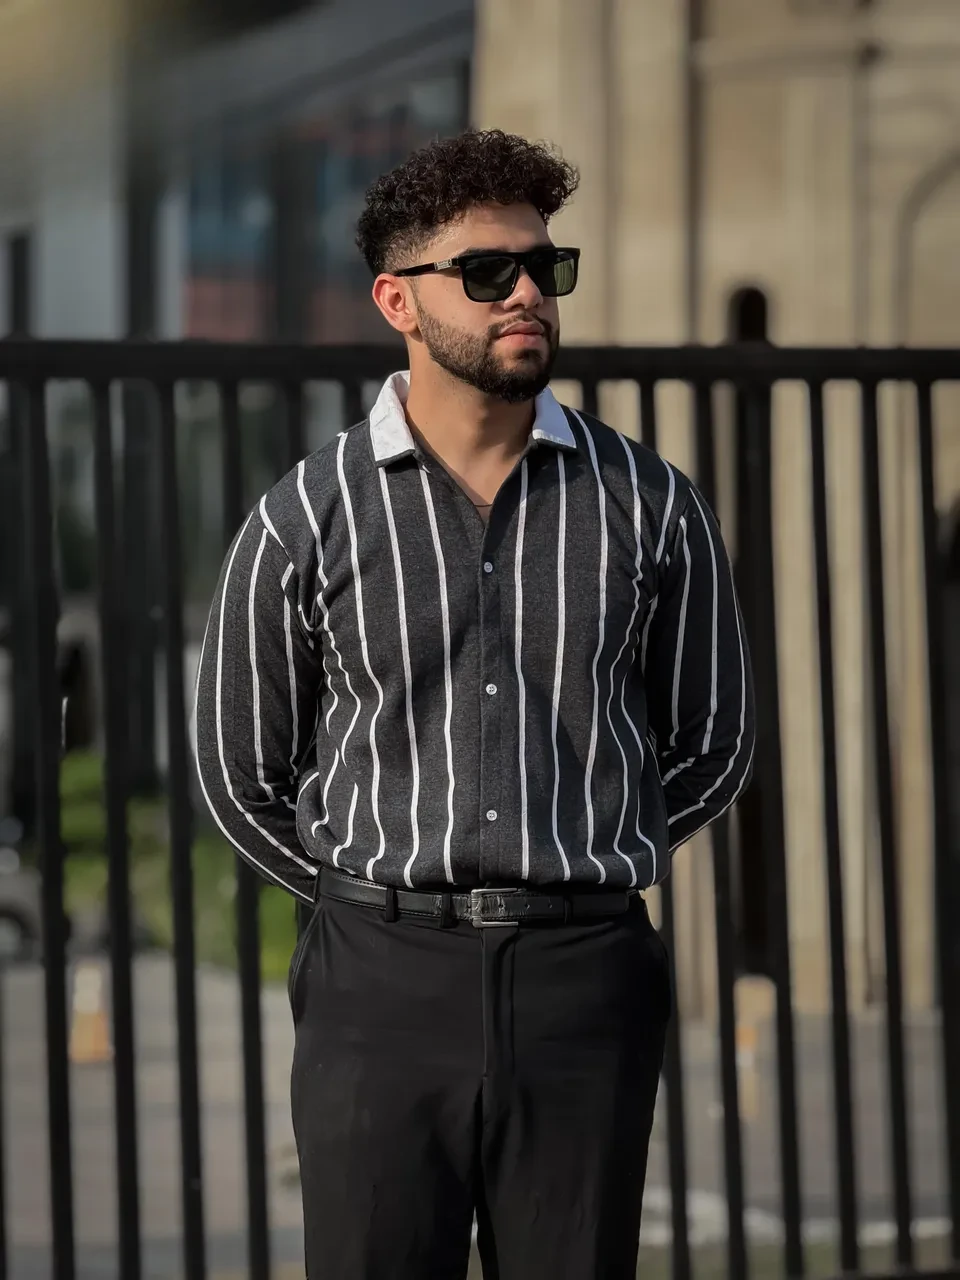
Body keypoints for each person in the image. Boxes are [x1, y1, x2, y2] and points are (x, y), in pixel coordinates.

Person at [195, 128, 755, 1280]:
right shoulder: (305, 516)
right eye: (487, 272)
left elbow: (715, 740)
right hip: (377, 983)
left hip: (584, 981)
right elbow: (236, 770)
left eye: (544, 269)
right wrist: (372, 893)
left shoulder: (650, 504)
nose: (527, 298)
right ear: (398, 300)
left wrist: (589, 848)